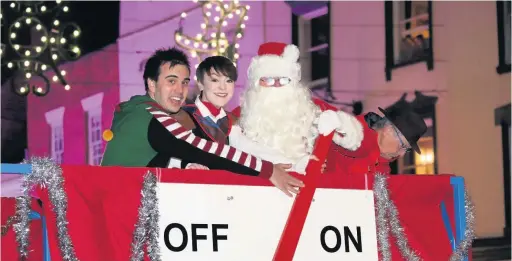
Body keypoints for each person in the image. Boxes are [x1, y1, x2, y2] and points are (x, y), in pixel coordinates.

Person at [101, 47, 303, 196]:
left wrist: (186, 164)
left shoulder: (136, 112)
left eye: (184, 83)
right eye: (171, 82)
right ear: (152, 85)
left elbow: (157, 160)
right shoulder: (150, 116)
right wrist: (267, 170)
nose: (179, 91)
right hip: (123, 208)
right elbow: (203, 149)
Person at [228, 42, 365, 174]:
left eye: (283, 80)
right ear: (257, 83)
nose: (276, 86)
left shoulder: (314, 110)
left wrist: (342, 124)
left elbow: (363, 147)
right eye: (268, 80)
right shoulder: (239, 117)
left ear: (293, 82)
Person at [323, 102, 427, 175]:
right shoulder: (346, 131)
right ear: (389, 130)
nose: (402, 154)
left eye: (407, 149)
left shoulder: (384, 168)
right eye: (403, 146)